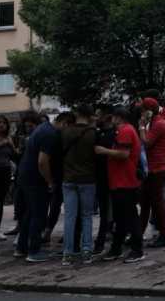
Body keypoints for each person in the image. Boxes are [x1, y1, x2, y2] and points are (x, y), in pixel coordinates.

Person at [16, 112, 71, 262]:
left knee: (30, 213)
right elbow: (42, 161)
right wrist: (50, 181)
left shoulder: (43, 128)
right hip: (36, 179)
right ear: (65, 123)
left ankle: (21, 248)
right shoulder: (50, 135)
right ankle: (34, 251)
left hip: (26, 175)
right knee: (39, 215)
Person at [96, 107, 145, 264]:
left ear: (118, 118)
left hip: (125, 181)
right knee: (120, 218)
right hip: (120, 181)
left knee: (130, 217)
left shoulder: (125, 130)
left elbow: (124, 154)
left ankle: (137, 250)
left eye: (112, 118)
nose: (111, 121)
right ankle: (116, 248)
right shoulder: (127, 130)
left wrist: (104, 151)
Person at [60, 105, 98, 265]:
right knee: (86, 216)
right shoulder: (92, 133)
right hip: (88, 179)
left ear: (76, 114)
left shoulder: (65, 131)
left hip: (68, 178)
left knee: (70, 217)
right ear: (90, 116)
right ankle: (87, 251)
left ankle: (67, 253)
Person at [138, 97, 165, 248]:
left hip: (156, 170)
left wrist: (141, 127)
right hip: (152, 169)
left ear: (149, 111)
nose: (141, 113)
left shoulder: (159, 124)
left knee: (157, 205)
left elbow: (147, 142)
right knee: (146, 203)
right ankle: (138, 234)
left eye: (143, 110)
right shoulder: (157, 122)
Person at [5, 111, 41, 237]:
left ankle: (30, 231)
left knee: (31, 206)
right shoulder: (22, 137)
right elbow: (18, 156)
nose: (28, 129)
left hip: (34, 175)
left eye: (31, 126)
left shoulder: (38, 137)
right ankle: (20, 227)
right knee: (20, 203)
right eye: (26, 126)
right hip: (22, 174)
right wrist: (13, 149)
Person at [42, 112, 75, 245]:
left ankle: (52, 233)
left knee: (60, 206)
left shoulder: (57, 134)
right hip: (61, 175)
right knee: (58, 205)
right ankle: (49, 232)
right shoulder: (54, 135)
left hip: (62, 175)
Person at [93, 109, 116, 254]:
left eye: (99, 115)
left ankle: (104, 240)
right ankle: (101, 240)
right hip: (101, 177)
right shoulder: (97, 133)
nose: (97, 118)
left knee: (115, 210)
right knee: (105, 211)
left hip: (112, 177)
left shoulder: (115, 134)